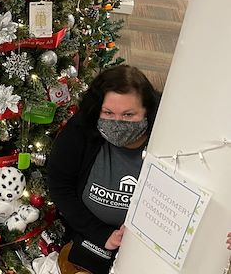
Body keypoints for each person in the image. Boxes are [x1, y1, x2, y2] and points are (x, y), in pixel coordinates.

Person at [47, 65, 160, 274]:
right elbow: (59, 183)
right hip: (90, 237)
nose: (117, 123)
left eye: (128, 115)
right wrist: (99, 233)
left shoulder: (166, 137)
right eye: (108, 112)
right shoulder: (82, 128)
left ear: (147, 111)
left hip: (152, 247)